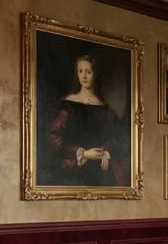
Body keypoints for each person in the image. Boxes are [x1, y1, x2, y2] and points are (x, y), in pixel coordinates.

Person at [47, 54, 127, 187]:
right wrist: (83, 153)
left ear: (95, 75)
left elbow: (118, 137)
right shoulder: (68, 104)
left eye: (88, 72)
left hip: (102, 170)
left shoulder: (105, 109)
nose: (84, 76)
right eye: (80, 71)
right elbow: (54, 137)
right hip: (74, 170)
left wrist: (106, 151)